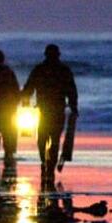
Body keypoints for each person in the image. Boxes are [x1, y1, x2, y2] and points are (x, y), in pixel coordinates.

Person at [22, 44, 78, 187]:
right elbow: (71, 90)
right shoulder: (60, 70)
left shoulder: (43, 69)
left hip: (51, 109)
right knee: (49, 139)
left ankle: (48, 166)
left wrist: (26, 101)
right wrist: (73, 107)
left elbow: (29, 87)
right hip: (51, 109)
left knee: (47, 138)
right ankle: (47, 165)